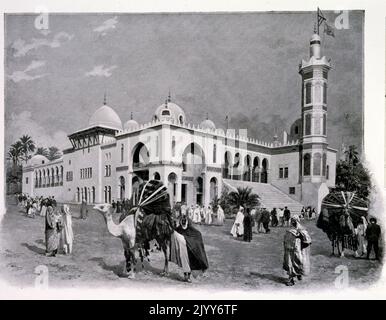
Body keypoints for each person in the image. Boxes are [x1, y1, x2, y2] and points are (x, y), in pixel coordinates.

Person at [175, 214, 209, 282]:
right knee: (184, 263)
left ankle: (188, 277)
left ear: (187, 221)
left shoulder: (192, 230)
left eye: (185, 221)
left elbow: (198, 235)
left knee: (191, 263)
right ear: (180, 221)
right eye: (182, 221)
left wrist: (190, 242)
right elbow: (173, 234)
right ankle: (185, 276)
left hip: (191, 250)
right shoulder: (178, 229)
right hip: (183, 251)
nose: (183, 223)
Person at [283, 216, 312, 286]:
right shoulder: (289, 229)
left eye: (294, 221)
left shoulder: (301, 230)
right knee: (290, 263)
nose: (292, 222)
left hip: (297, 249)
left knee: (298, 262)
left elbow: (308, 240)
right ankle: (292, 278)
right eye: (292, 220)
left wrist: (301, 239)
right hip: (289, 249)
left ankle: (296, 276)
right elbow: (285, 239)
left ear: (297, 221)